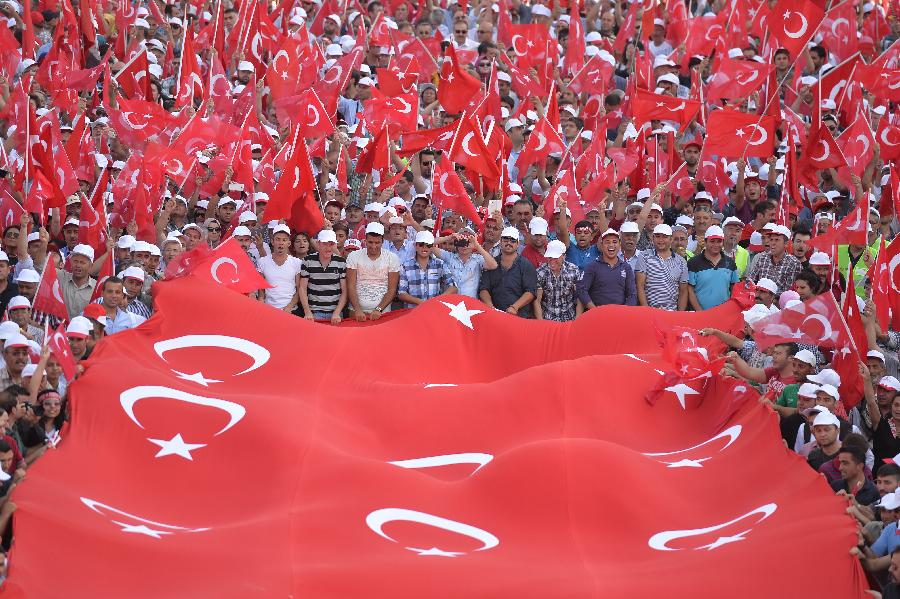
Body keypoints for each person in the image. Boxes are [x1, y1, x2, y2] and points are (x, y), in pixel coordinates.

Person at [478, 226, 537, 318]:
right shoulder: (492, 264)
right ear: (500, 242)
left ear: (518, 244)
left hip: (519, 317)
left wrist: (515, 307)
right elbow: (483, 289)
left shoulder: (526, 265)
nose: (509, 243)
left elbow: (530, 292)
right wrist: (490, 306)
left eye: (513, 240)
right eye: (505, 239)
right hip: (495, 316)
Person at [346, 222, 400, 321]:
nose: (374, 246)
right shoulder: (353, 256)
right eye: (370, 242)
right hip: (356, 311)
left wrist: (378, 309)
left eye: (377, 243)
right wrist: (358, 310)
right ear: (365, 240)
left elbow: (392, 290)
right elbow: (350, 286)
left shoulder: (392, 258)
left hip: (382, 312)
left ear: (383, 241)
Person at [577, 229, 637, 309]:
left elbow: (632, 294)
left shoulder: (626, 267)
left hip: (620, 315)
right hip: (597, 315)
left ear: (620, 245)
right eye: (607, 242)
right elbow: (581, 290)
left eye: (614, 242)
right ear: (601, 245)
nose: (611, 245)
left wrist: (625, 312)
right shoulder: (592, 266)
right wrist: (594, 310)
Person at [634, 224, 688, 311]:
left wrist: (679, 315)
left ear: (671, 239)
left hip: (672, 313)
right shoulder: (644, 256)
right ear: (653, 238)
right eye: (658, 236)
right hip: (650, 312)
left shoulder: (681, 261)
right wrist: (647, 311)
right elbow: (640, 286)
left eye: (664, 237)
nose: (661, 240)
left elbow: (683, 291)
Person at [298, 230, 347, 324]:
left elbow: (344, 290)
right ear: (318, 243)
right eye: (325, 244)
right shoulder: (307, 261)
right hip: (314, 313)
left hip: (335, 314)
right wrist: (307, 312)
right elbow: (302, 288)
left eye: (331, 244)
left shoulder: (341, 262)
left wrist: (337, 312)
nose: (328, 248)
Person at [397, 231, 457, 308]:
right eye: (421, 245)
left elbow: (453, 287)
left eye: (428, 245)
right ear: (415, 245)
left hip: (434, 309)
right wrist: (421, 302)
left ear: (432, 247)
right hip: (412, 312)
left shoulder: (439, 264)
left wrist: (436, 300)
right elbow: (402, 294)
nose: (424, 248)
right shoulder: (405, 266)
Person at [431, 230, 497, 299]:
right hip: (450, 302)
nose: (464, 246)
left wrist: (477, 245)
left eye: (468, 242)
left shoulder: (478, 259)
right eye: (461, 242)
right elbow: (428, 245)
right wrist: (449, 237)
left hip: (470, 303)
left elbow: (493, 265)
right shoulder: (449, 257)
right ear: (456, 243)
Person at [687, 226, 740, 311]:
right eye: (712, 241)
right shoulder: (693, 262)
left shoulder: (730, 262)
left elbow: (734, 287)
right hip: (700, 315)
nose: (716, 245)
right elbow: (689, 289)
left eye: (719, 241)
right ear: (705, 242)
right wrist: (699, 311)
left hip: (724, 313)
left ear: (723, 242)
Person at [257, 224, 303, 312]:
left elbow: (299, 289)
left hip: (291, 310)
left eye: (284, 240)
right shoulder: (262, 262)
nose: (281, 243)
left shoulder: (296, 262)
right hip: (269, 310)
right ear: (272, 241)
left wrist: (289, 307)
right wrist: (261, 301)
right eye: (278, 239)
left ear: (289, 243)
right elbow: (261, 290)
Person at [534, 240, 581, 322]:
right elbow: (537, 301)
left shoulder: (573, 270)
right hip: (547, 318)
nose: (552, 261)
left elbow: (580, 297)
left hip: (569, 316)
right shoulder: (540, 272)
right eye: (550, 257)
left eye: (556, 257)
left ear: (564, 256)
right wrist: (541, 323)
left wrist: (577, 320)